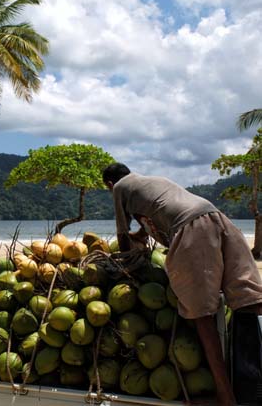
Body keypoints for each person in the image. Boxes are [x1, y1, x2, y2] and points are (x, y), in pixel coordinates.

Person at [102, 162, 262, 406]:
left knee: (201, 315)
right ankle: (252, 387)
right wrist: (141, 238)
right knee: (249, 299)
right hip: (217, 219)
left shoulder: (119, 188)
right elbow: (154, 221)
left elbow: (123, 237)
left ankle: (225, 398)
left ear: (111, 184)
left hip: (190, 229)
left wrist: (128, 272)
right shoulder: (150, 183)